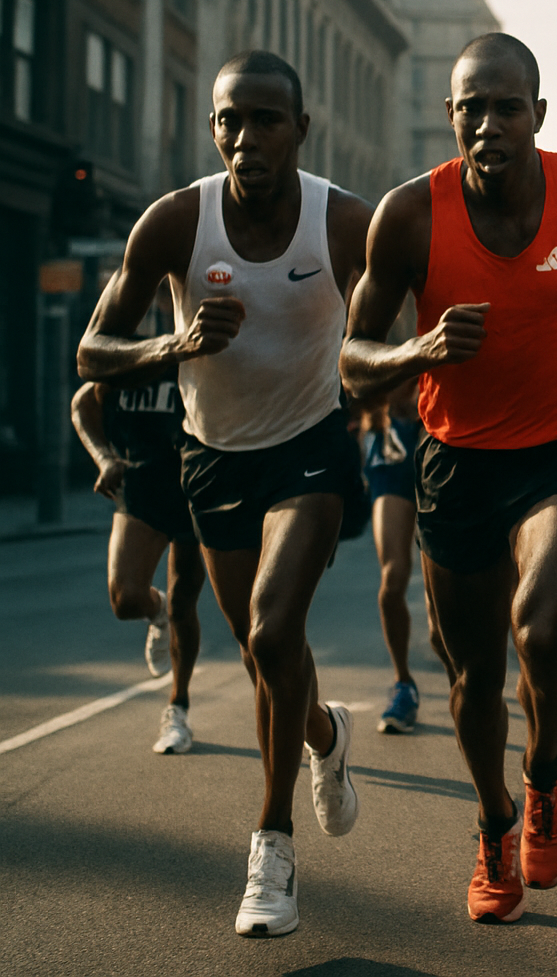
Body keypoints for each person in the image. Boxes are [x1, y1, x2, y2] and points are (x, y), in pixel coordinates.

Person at [340, 33, 557, 925]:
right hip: (457, 459)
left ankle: (545, 770)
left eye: (506, 106)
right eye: (470, 108)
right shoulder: (408, 216)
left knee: (542, 624)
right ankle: (494, 822)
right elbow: (353, 364)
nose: (488, 124)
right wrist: (418, 349)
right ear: (450, 117)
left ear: (538, 115)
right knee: (472, 675)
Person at [77, 50, 371, 938]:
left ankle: (272, 850)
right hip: (213, 458)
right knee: (260, 653)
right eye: (228, 122)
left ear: (300, 130)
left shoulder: (345, 223)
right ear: (214, 129)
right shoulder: (174, 223)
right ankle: (323, 732)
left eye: (266, 121)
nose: (245, 140)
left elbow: (393, 326)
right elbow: (94, 355)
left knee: (278, 629)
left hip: (312, 450)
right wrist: (175, 348)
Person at [70, 354, 205, 755]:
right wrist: (105, 458)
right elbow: (83, 404)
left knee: (185, 602)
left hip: (193, 483)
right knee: (126, 598)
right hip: (140, 483)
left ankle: (177, 708)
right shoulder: (127, 353)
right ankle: (155, 610)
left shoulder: (196, 348)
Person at [360, 374, 425, 734]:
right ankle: (403, 684)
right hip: (392, 448)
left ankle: (466, 688)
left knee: (440, 621)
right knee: (393, 576)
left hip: (440, 439)